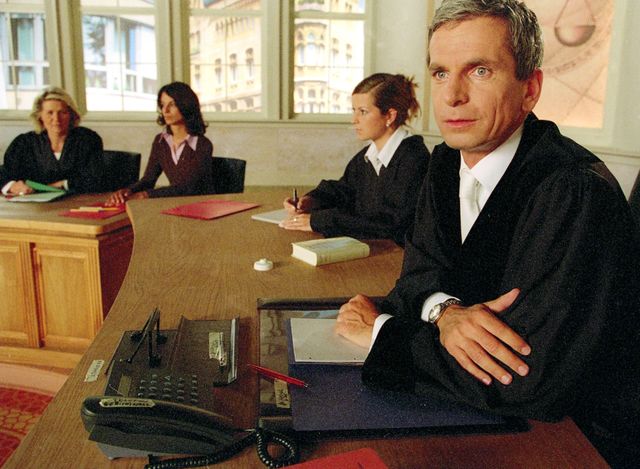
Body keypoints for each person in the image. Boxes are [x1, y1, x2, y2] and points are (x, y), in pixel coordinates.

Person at [335, 1, 639, 466]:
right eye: (440, 73)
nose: (452, 95)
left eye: (479, 71)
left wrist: (380, 333)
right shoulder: (443, 164)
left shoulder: (573, 190)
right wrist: (446, 313)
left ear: (530, 89)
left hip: (578, 439)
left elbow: (525, 377)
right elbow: (414, 282)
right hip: (471, 411)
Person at [279, 73, 430, 245]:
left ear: (389, 116)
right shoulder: (367, 156)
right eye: (354, 111)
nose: (354, 120)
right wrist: (311, 201)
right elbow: (344, 190)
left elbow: (390, 224)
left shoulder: (414, 160)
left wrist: (320, 220)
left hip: (396, 254)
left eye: (363, 112)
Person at [106, 81, 213, 204]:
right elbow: (148, 180)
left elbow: (186, 188)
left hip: (201, 206)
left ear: (186, 106)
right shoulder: (160, 141)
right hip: (177, 205)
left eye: (172, 105)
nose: (165, 110)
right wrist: (127, 191)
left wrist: (144, 195)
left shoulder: (203, 144)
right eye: (162, 105)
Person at [1, 87, 104, 195]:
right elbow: (5, 173)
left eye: (62, 112)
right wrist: (12, 186)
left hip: (78, 201)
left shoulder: (88, 139)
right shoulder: (24, 142)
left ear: (71, 114)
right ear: (40, 116)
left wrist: (62, 184)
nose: (56, 119)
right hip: (33, 203)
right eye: (50, 113)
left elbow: (95, 178)